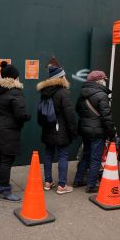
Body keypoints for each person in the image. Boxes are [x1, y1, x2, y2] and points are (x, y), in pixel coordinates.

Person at [0, 61, 31, 202]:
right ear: (14, 78)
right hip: (8, 131)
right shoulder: (15, 92)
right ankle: (5, 190)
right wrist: (27, 116)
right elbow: (21, 114)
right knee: (6, 160)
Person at [73, 70, 116, 193]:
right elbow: (107, 117)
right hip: (97, 131)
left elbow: (78, 110)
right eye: (104, 79)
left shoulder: (82, 93)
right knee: (96, 158)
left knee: (86, 155)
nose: (105, 82)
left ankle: (78, 180)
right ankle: (91, 185)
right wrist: (112, 134)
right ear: (99, 81)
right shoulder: (101, 95)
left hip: (85, 129)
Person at [37, 64, 77, 194]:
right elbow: (69, 114)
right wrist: (73, 131)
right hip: (61, 129)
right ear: (61, 77)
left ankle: (48, 182)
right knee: (63, 155)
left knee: (48, 154)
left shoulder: (44, 92)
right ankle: (62, 185)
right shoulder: (63, 92)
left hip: (48, 128)